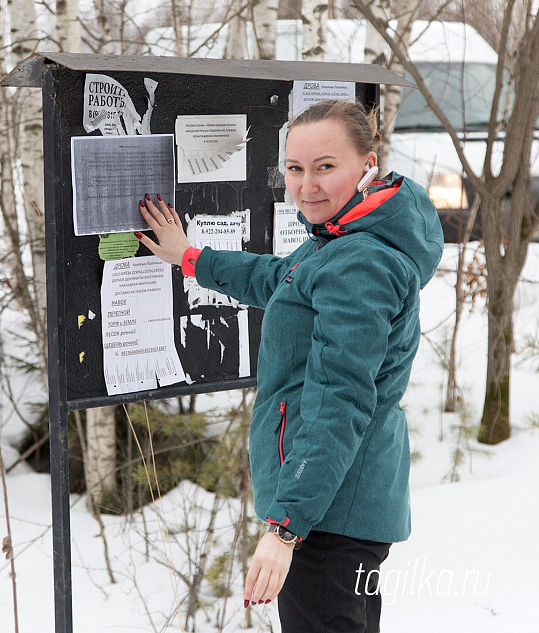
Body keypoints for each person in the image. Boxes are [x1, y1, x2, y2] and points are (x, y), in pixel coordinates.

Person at [135, 100, 444, 633]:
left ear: (367, 164)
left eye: (325, 166)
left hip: (326, 517)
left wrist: (285, 529)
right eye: (295, 170)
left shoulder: (359, 261)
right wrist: (191, 258)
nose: (306, 187)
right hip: (346, 504)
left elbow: (338, 402)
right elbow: (281, 278)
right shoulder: (345, 242)